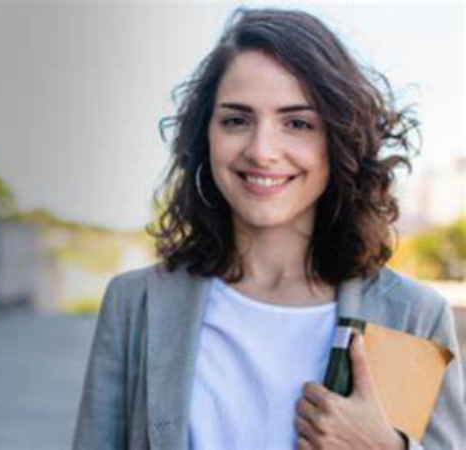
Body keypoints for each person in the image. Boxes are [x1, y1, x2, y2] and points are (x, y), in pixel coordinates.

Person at [73, 7, 465, 450]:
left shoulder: (411, 315)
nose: (262, 151)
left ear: (337, 141)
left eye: (297, 123)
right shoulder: (137, 304)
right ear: (205, 135)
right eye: (237, 120)